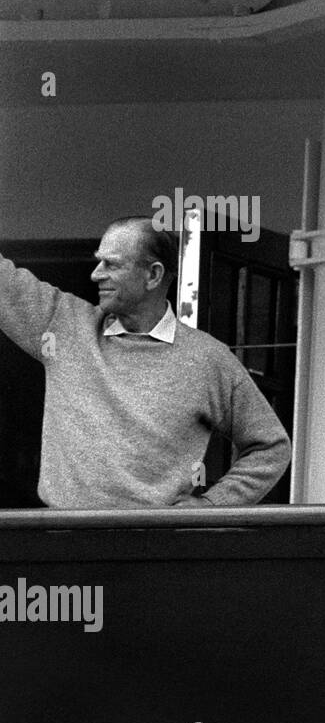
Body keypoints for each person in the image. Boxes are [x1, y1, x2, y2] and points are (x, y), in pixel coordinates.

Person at [0, 217, 290, 508]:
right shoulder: (62, 326)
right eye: (99, 262)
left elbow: (271, 447)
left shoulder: (208, 360)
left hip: (157, 544)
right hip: (64, 541)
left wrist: (214, 504)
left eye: (111, 265)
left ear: (153, 275)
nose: (96, 274)